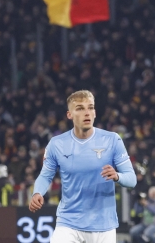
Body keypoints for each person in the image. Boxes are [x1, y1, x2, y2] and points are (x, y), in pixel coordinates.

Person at [29, 90, 137, 243]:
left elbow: (132, 179)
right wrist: (37, 193)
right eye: (80, 108)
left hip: (103, 225)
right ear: (69, 115)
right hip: (69, 222)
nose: (87, 113)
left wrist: (117, 176)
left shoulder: (112, 140)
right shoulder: (57, 144)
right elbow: (45, 175)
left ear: (95, 113)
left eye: (90, 108)